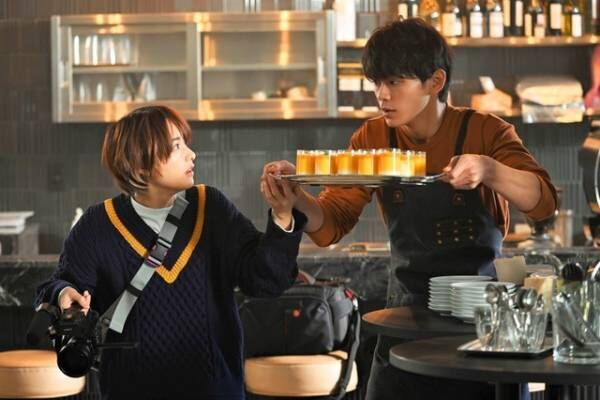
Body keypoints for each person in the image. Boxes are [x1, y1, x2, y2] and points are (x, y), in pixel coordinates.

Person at [263, 18, 557, 400]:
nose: (381, 95)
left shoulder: (485, 131)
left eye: (394, 82)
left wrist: (489, 169)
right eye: (376, 83)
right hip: (404, 324)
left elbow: (543, 202)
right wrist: (297, 198)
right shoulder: (372, 136)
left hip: (480, 326)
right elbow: (331, 223)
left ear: (435, 81)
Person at [35, 105, 305, 400]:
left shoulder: (210, 207)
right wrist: (64, 293)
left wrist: (282, 216)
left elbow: (266, 281)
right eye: (177, 147)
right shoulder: (98, 224)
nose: (192, 154)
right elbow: (58, 286)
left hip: (214, 393)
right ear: (141, 167)